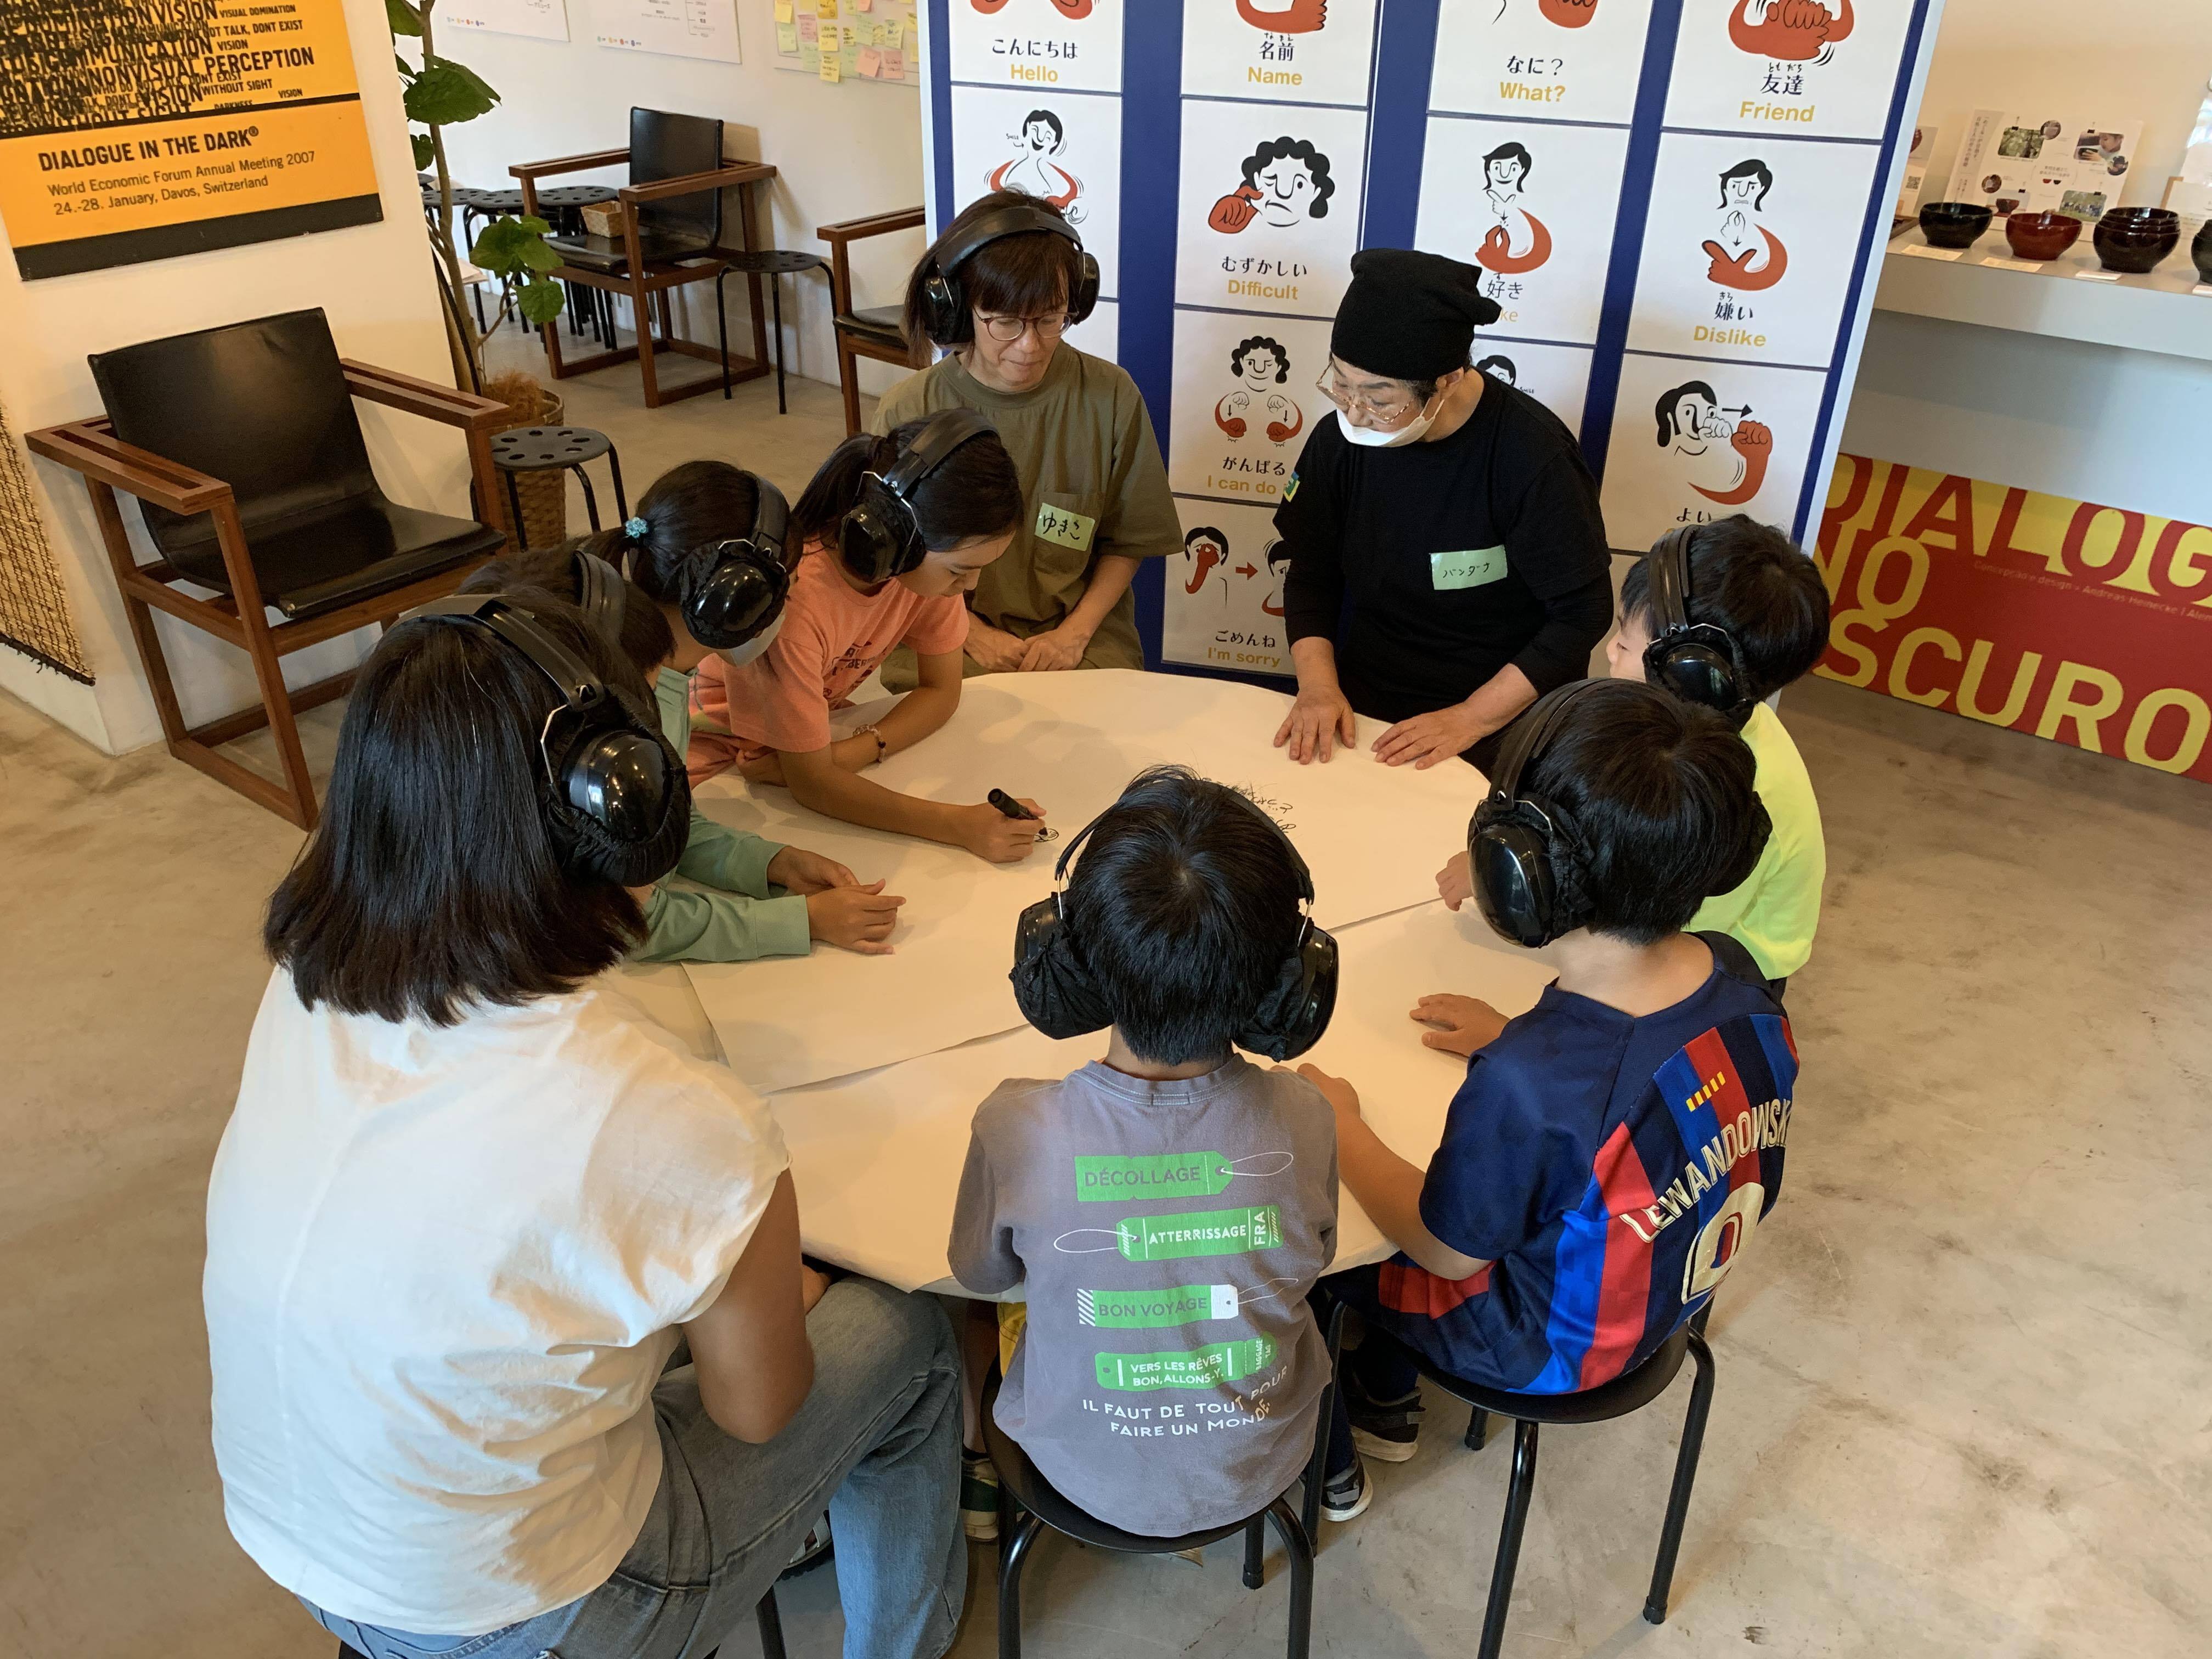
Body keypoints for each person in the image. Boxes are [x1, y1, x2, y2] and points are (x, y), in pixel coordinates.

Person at [203, 592, 965, 1659]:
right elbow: (759, 1407)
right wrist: (756, 1284)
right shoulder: (670, 1112)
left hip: (299, 1540)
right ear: (629, 809)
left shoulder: (306, 981)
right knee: (909, 1339)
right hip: (529, 1606)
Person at [1300, 679, 1796, 1511]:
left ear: (1517, 868)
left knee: (1314, 1262)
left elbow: (1446, 1251)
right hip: (1667, 1297)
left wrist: (1339, 1126)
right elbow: (1636, 1090)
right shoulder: (1741, 979)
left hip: (1547, 1350)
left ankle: (1346, 1445)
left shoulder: (1532, 1084)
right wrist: (1517, 1039)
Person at [949, 766, 1338, 1539]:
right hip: (1262, 1466)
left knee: (955, 1311)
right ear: (1286, 979)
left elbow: (982, 1275)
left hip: (1076, 1471)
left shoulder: (1014, 1126)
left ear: (1067, 955)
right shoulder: (1307, 1116)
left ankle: (975, 1468)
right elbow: (1319, 1256)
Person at [1426, 516, 1831, 1043]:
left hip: (1725, 970)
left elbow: (1648, 955)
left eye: (1627, 639)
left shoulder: (1737, 798)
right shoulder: (1719, 725)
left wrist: (1509, 1036)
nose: (1610, 649)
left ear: (1689, 673)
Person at [459, 543, 905, 959]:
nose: (653, 718)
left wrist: (770, 864)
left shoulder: (577, 744)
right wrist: (797, 922)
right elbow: (626, 923)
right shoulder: (519, 836)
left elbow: (669, 830)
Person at [1273, 247, 1613, 773]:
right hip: (1369, 698)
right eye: (1341, 385)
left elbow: (1582, 614)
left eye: (1380, 399)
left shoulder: (1531, 457)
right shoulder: (1337, 443)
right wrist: (1318, 688)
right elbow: (1311, 574)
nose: (1356, 414)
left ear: (1447, 380)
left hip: (1501, 713)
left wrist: (1471, 718)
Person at [704, 413, 1052, 863]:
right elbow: (812, 786)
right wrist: (957, 825)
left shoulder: (921, 574)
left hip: (813, 739)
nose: (969, 586)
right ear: (896, 538)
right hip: (720, 756)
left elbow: (942, 692)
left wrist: (850, 754)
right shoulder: (798, 606)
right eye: (960, 571)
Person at [874, 191, 1180, 682]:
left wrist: (1074, 634)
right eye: (1005, 322)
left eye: (1050, 319)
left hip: (1077, 634)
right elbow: (888, 560)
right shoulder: (908, 408)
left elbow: (1128, 541)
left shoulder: (1111, 396)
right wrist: (970, 633)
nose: (1029, 345)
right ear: (959, 310)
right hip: (941, 631)